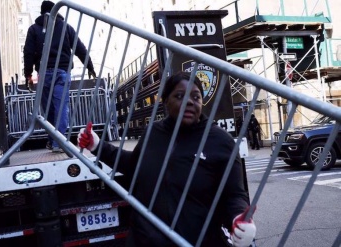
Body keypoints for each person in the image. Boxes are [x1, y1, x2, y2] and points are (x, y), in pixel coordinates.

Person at [78, 72, 256, 246]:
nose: (189, 102)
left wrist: (238, 220)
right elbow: (134, 165)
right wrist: (96, 146)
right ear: (165, 101)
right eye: (179, 96)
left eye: (196, 97)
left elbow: (234, 194)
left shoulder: (220, 141)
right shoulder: (153, 133)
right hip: (144, 239)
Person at [24, 0, 96, 153]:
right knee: (61, 108)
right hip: (62, 72)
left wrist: (28, 74)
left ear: (42, 13)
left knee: (48, 110)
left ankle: (54, 141)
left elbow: (28, 53)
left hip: (44, 74)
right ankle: (58, 143)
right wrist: (89, 66)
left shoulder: (34, 29)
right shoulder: (66, 28)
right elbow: (80, 48)